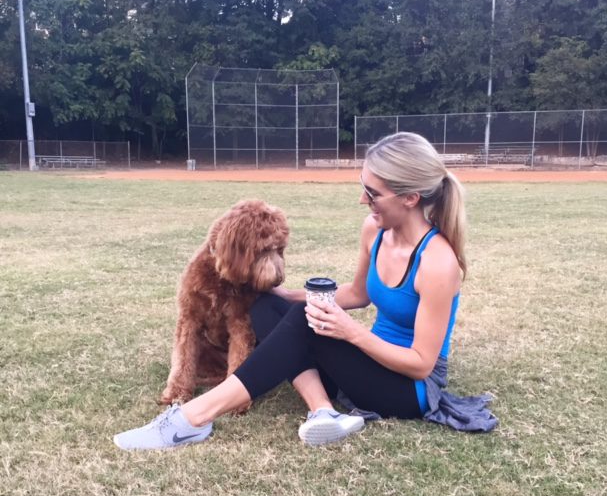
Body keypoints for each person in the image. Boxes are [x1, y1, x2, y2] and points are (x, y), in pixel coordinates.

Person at [113, 132, 497, 451]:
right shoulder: (374, 231)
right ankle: (322, 411)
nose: (363, 200)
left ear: (410, 198)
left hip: (409, 388)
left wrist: (350, 331)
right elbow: (358, 293)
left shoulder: (438, 262)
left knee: (304, 318)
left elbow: (421, 364)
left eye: (373, 193)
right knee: (264, 305)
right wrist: (286, 297)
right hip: (368, 362)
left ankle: (191, 419)